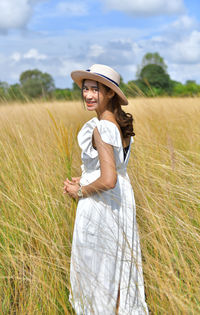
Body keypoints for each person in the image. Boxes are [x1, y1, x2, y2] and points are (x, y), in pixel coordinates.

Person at [63, 64, 149, 314]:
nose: (88, 95)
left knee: (97, 269)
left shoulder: (102, 127)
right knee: (115, 264)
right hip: (119, 201)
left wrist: (78, 191)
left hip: (101, 205)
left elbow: (109, 178)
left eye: (95, 90)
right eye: (85, 89)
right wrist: (85, 178)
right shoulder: (118, 124)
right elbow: (113, 170)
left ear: (110, 93)